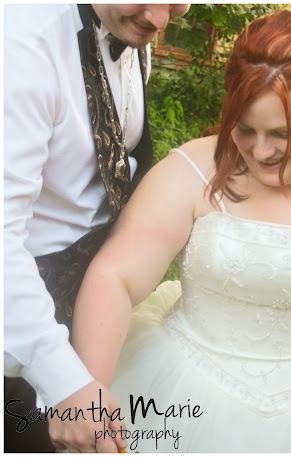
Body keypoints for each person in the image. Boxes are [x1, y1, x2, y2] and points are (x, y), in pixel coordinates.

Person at [70, 9, 291, 452]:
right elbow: (114, 277)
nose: (262, 150)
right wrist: (90, 394)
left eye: (284, 132)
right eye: (245, 129)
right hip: (184, 394)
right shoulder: (191, 169)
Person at [3, 4, 190, 452]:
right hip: (20, 329)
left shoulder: (127, 23)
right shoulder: (22, 47)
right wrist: (63, 381)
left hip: (91, 318)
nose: (161, 19)